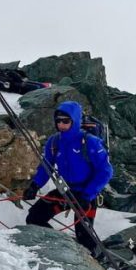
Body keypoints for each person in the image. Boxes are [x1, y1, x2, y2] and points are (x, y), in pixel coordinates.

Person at [23, 101, 113, 258]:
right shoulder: (54, 142)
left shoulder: (90, 142)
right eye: (58, 121)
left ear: (75, 121)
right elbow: (46, 166)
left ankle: (96, 262)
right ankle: (58, 248)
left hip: (86, 194)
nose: (61, 125)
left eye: (66, 121)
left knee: (85, 237)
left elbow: (105, 171)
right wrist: (35, 185)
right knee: (34, 218)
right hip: (65, 190)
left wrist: (87, 195)